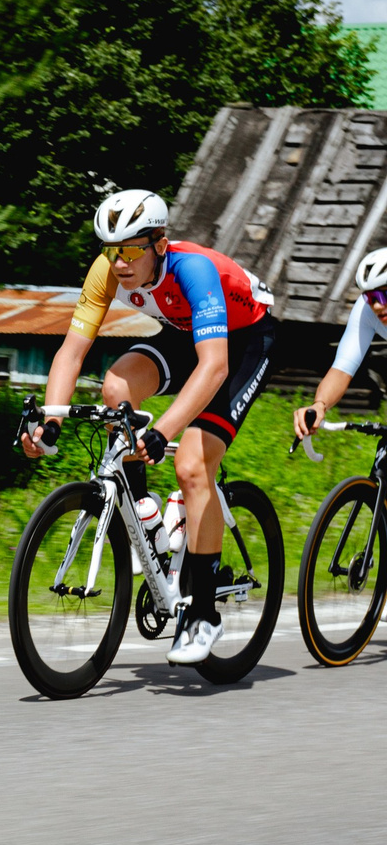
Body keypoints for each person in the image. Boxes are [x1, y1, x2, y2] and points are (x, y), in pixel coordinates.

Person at [19, 189, 278, 665]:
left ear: (159, 243)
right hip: (184, 334)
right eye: (110, 250)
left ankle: (203, 614)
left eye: (131, 250)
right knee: (116, 385)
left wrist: (161, 432)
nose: (119, 263)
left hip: (242, 345)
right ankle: (145, 511)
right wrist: (50, 422)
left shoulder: (192, 270)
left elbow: (214, 368)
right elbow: (71, 353)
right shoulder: (106, 269)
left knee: (192, 464)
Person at [293, 247, 387, 441]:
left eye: (383, 295)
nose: (377, 305)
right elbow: (343, 367)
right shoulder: (366, 311)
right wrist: (319, 405)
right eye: (370, 297)